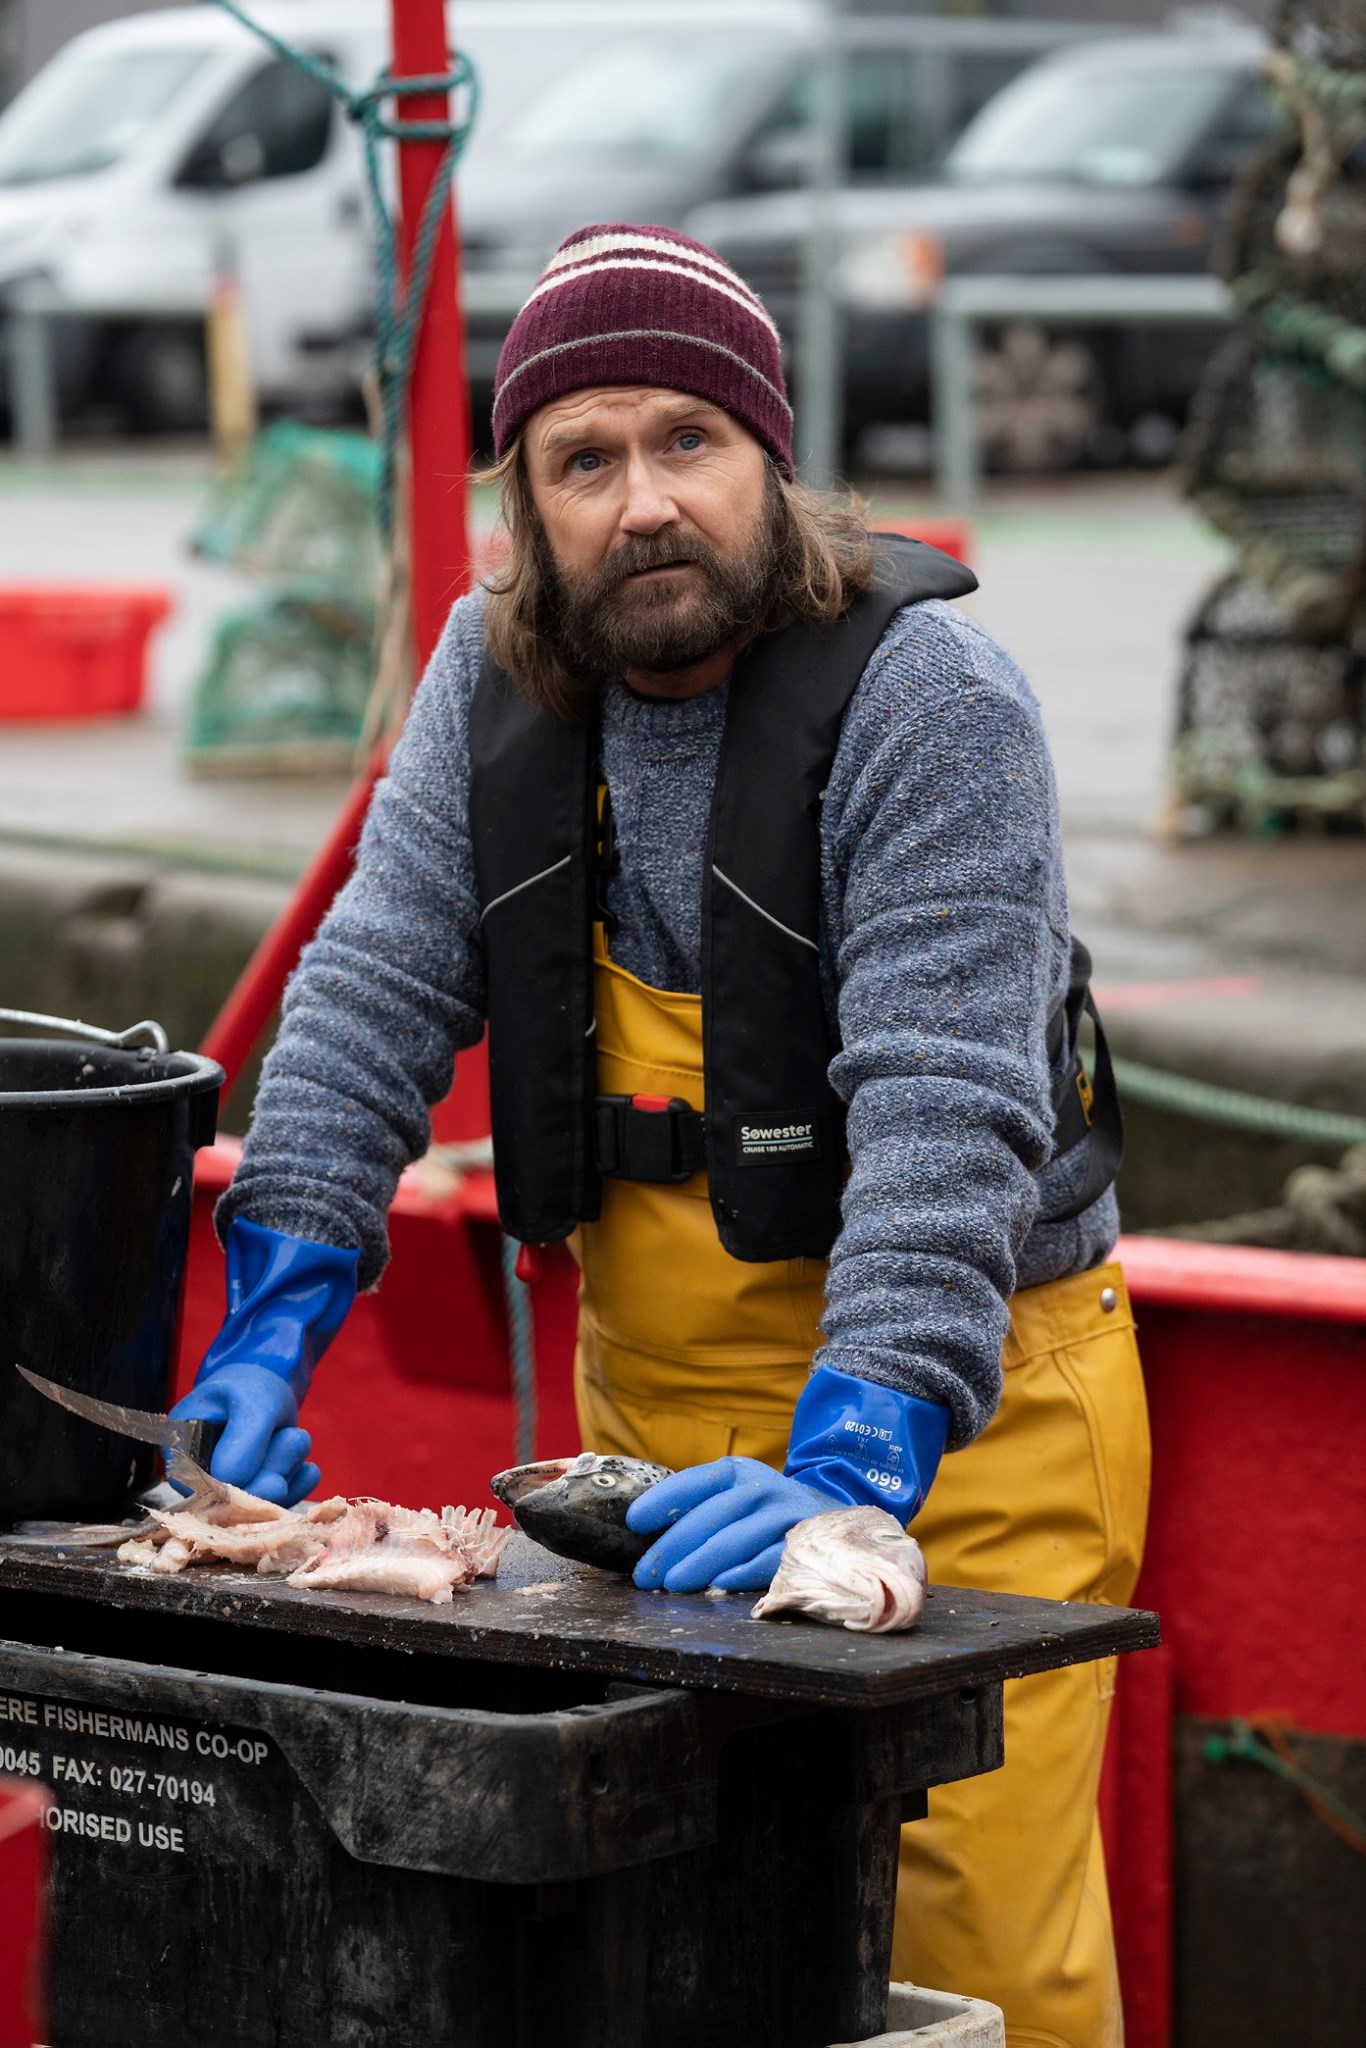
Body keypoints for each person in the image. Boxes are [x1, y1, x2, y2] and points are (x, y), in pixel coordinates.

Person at [172, 223, 1149, 2044]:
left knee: (955, 1958)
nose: (643, 504)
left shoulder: (931, 706)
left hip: (970, 1402)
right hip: (655, 1442)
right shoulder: (490, 682)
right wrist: (272, 1313)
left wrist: (858, 1476)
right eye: (583, 459)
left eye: (686, 441)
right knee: (675, 1942)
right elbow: (373, 989)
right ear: (529, 504)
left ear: (771, 461)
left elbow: (946, 1106)